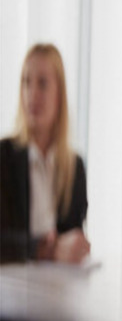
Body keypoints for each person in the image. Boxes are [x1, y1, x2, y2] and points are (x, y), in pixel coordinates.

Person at [1, 44, 90, 264]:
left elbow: (72, 234)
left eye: (42, 84)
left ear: (59, 94)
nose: (32, 94)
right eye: (26, 82)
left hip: (58, 287)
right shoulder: (4, 156)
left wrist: (75, 246)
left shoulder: (74, 166)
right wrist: (41, 249)